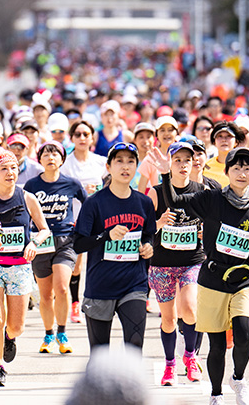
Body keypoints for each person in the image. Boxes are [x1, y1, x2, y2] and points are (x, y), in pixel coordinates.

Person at [148, 146, 249, 405]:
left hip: (244, 278)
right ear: (226, 172)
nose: (241, 172)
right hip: (213, 278)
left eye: (247, 168)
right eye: (236, 167)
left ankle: (238, 378)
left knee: (243, 333)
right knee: (215, 346)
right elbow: (177, 201)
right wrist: (165, 174)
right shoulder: (212, 198)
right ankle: (216, 394)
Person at [0, 151, 51, 386]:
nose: (10, 173)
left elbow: (44, 230)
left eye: (14, 168)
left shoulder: (27, 198)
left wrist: (33, 243)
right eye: (4, 169)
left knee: (16, 326)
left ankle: (9, 338)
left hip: (19, 267)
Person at [73, 142, 156, 351]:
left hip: (134, 284)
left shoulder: (144, 202)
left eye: (130, 162)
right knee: (100, 353)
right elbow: (78, 244)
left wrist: (148, 246)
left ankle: (128, 384)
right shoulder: (94, 203)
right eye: (119, 161)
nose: (125, 167)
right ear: (108, 167)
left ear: (137, 167)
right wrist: (106, 235)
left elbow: (149, 235)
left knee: (135, 343)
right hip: (101, 286)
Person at [147, 142, 205, 386]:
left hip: (192, 261)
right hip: (162, 263)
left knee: (190, 309)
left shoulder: (201, 191)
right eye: (178, 160)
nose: (183, 165)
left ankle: (190, 357)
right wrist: (159, 223)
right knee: (169, 319)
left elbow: (213, 222)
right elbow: (144, 230)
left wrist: (206, 232)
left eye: (187, 160)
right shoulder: (156, 192)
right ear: (169, 163)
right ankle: (170, 365)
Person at [24, 141, 88, 354]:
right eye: (46, 154)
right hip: (41, 241)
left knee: (61, 287)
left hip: (65, 240)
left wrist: (82, 229)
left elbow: (88, 206)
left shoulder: (72, 183)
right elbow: (25, 213)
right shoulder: (32, 186)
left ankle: (62, 332)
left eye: (55, 154)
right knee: (46, 294)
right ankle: (48, 333)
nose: (51, 158)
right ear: (39, 159)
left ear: (62, 159)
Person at [61, 120, 108, 323]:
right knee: (77, 263)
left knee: (99, 261)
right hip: (74, 218)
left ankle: (99, 300)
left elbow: (110, 185)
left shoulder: (101, 162)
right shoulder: (65, 164)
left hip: (99, 218)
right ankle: (74, 303)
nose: (82, 138)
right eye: (78, 134)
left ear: (92, 137)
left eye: (85, 134)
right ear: (71, 138)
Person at [137, 116, 179, 193]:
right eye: (162, 130)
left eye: (170, 130)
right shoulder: (151, 158)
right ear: (157, 134)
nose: (166, 133)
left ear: (176, 133)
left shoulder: (184, 155)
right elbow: (141, 190)